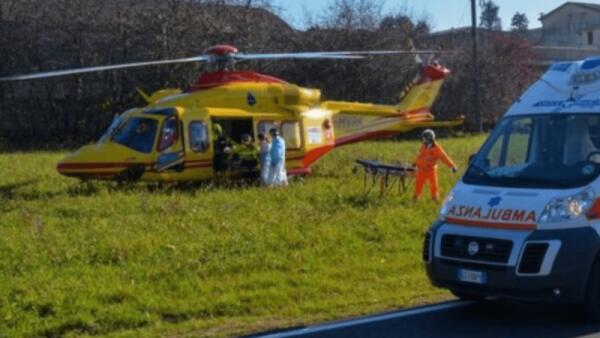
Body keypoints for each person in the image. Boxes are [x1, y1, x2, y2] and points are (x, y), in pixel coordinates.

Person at [413, 129, 457, 200]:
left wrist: (452, 166)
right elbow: (420, 156)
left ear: (429, 138)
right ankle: (416, 197)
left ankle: (434, 198)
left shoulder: (436, 148)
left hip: (431, 170)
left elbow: (444, 157)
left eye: (424, 138)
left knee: (434, 185)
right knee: (418, 184)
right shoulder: (424, 146)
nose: (423, 140)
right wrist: (415, 164)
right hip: (421, 170)